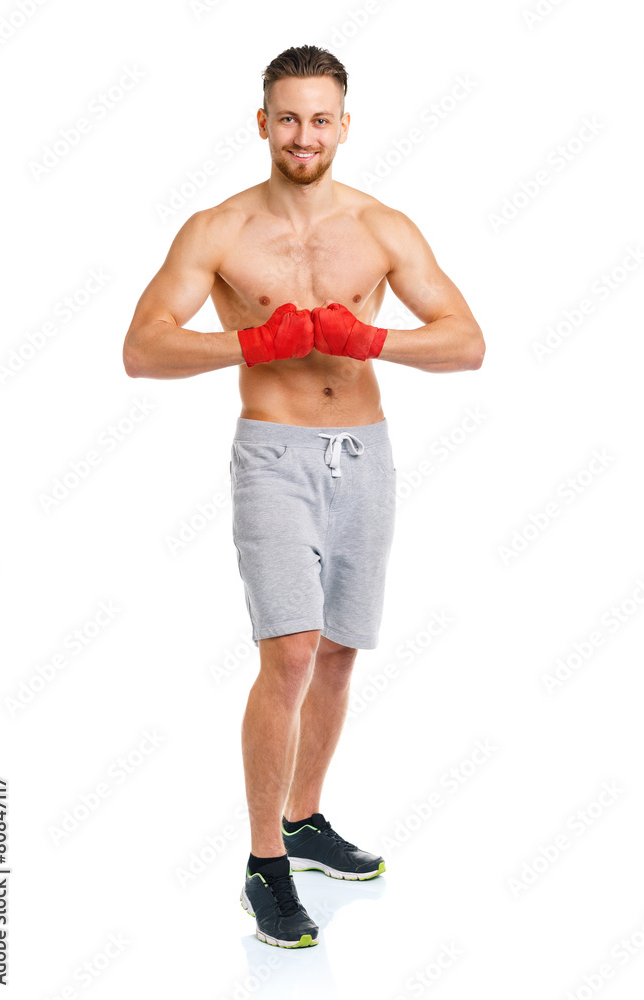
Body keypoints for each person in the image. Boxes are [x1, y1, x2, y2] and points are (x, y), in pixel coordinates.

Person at [122, 44, 485, 949]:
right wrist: (249, 347)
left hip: (365, 452)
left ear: (343, 126)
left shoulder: (381, 226)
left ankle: (304, 819)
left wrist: (372, 340)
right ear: (261, 124)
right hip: (274, 453)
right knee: (288, 651)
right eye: (287, 117)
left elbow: (466, 341)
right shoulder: (219, 230)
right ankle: (263, 866)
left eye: (320, 118)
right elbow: (143, 347)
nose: (303, 135)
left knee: (336, 655)